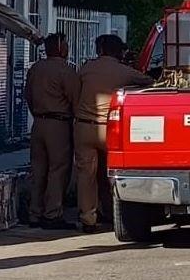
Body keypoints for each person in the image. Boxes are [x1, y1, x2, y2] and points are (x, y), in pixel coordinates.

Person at [74, 34, 154, 233]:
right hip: (109, 128)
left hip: (84, 127)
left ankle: (88, 219)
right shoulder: (124, 72)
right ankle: (112, 212)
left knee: (86, 175)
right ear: (119, 52)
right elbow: (149, 82)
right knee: (114, 172)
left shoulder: (86, 68)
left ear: (100, 50)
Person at [25, 32, 80, 230]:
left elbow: (28, 97)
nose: (68, 49)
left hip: (38, 122)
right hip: (59, 124)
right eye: (65, 45)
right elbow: (76, 100)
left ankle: (34, 213)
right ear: (60, 48)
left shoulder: (35, 69)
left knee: (38, 169)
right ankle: (52, 213)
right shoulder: (66, 71)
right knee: (58, 169)